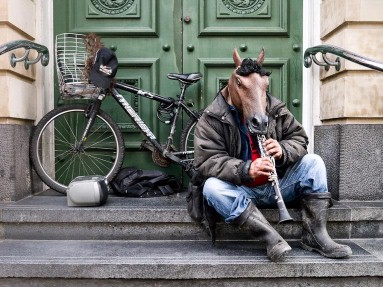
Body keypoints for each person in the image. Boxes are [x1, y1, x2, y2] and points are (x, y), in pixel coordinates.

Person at [193, 49, 352, 262]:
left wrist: (283, 150)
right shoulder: (212, 118)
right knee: (212, 187)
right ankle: (271, 239)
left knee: (314, 162)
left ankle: (316, 235)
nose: (258, 99)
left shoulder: (275, 108)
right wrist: (245, 169)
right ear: (235, 85)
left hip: (277, 184)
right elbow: (207, 161)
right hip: (241, 191)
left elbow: (299, 139)